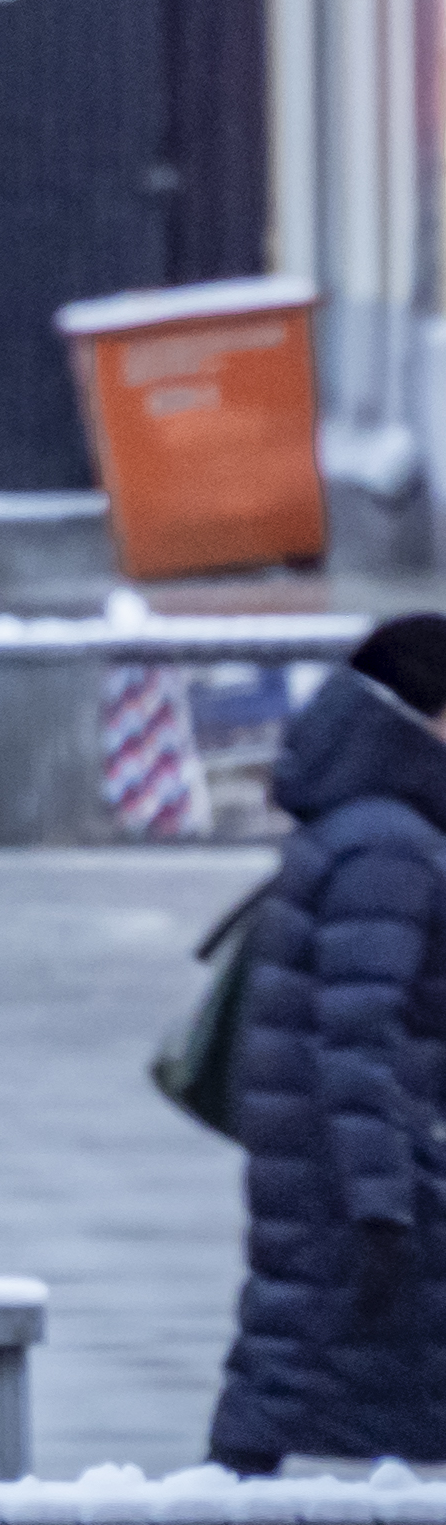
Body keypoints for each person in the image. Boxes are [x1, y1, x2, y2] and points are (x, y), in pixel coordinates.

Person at [212, 619, 446, 1473]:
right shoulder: (392, 843)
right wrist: (384, 1200)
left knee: (280, 1376)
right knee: (283, 1382)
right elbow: (357, 1034)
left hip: (321, 1158)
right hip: (355, 1171)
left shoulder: (359, 822)